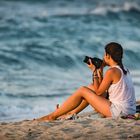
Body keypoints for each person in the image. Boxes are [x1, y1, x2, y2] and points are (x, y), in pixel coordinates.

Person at [37, 42, 136, 121]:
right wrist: (100, 71)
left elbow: (98, 92)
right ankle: (71, 113)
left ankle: (52, 116)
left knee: (82, 90)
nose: (103, 57)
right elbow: (100, 90)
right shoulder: (124, 69)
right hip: (129, 110)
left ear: (108, 55)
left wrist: (94, 71)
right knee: (91, 87)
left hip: (120, 112)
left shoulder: (112, 71)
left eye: (104, 55)